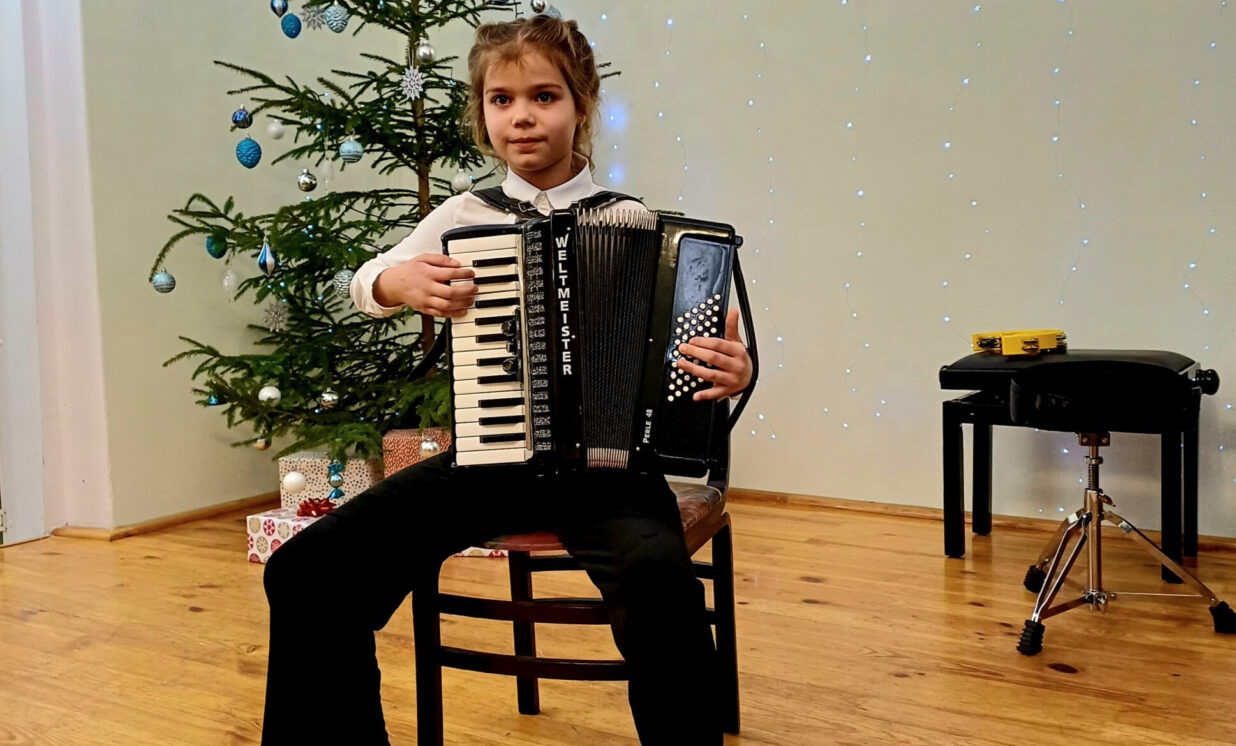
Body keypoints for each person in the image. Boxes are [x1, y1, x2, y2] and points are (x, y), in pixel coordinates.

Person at [261, 14, 752, 746]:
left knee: (660, 583)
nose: (521, 116)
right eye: (501, 99)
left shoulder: (638, 224)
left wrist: (734, 372)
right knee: (307, 572)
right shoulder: (463, 217)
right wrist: (398, 282)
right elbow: (368, 281)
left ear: (582, 105)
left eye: (544, 96)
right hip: (487, 462)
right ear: (482, 111)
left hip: (612, 475)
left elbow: (709, 353)